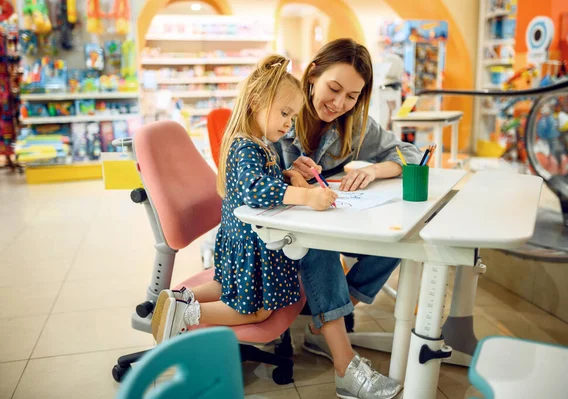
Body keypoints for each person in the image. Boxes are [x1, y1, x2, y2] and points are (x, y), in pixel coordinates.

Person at [151, 55, 338, 344]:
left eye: (292, 117)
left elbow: (257, 180)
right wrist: (307, 197)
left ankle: (176, 298)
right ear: (255, 102)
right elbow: (253, 188)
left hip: (238, 243)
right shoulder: (248, 147)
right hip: (251, 248)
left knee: (224, 286)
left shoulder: (252, 141)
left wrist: (287, 174)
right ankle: (187, 314)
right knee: (257, 312)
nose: (288, 124)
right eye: (284, 113)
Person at [273, 38, 422, 399]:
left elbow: (411, 154)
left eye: (352, 96)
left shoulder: (353, 125)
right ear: (312, 75)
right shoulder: (277, 111)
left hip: (323, 220)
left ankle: (324, 324)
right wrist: (287, 177)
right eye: (334, 89)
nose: (339, 104)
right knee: (319, 243)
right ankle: (345, 366)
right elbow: (243, 175)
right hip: (274, 233)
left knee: (397, 237)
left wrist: (374, 170)